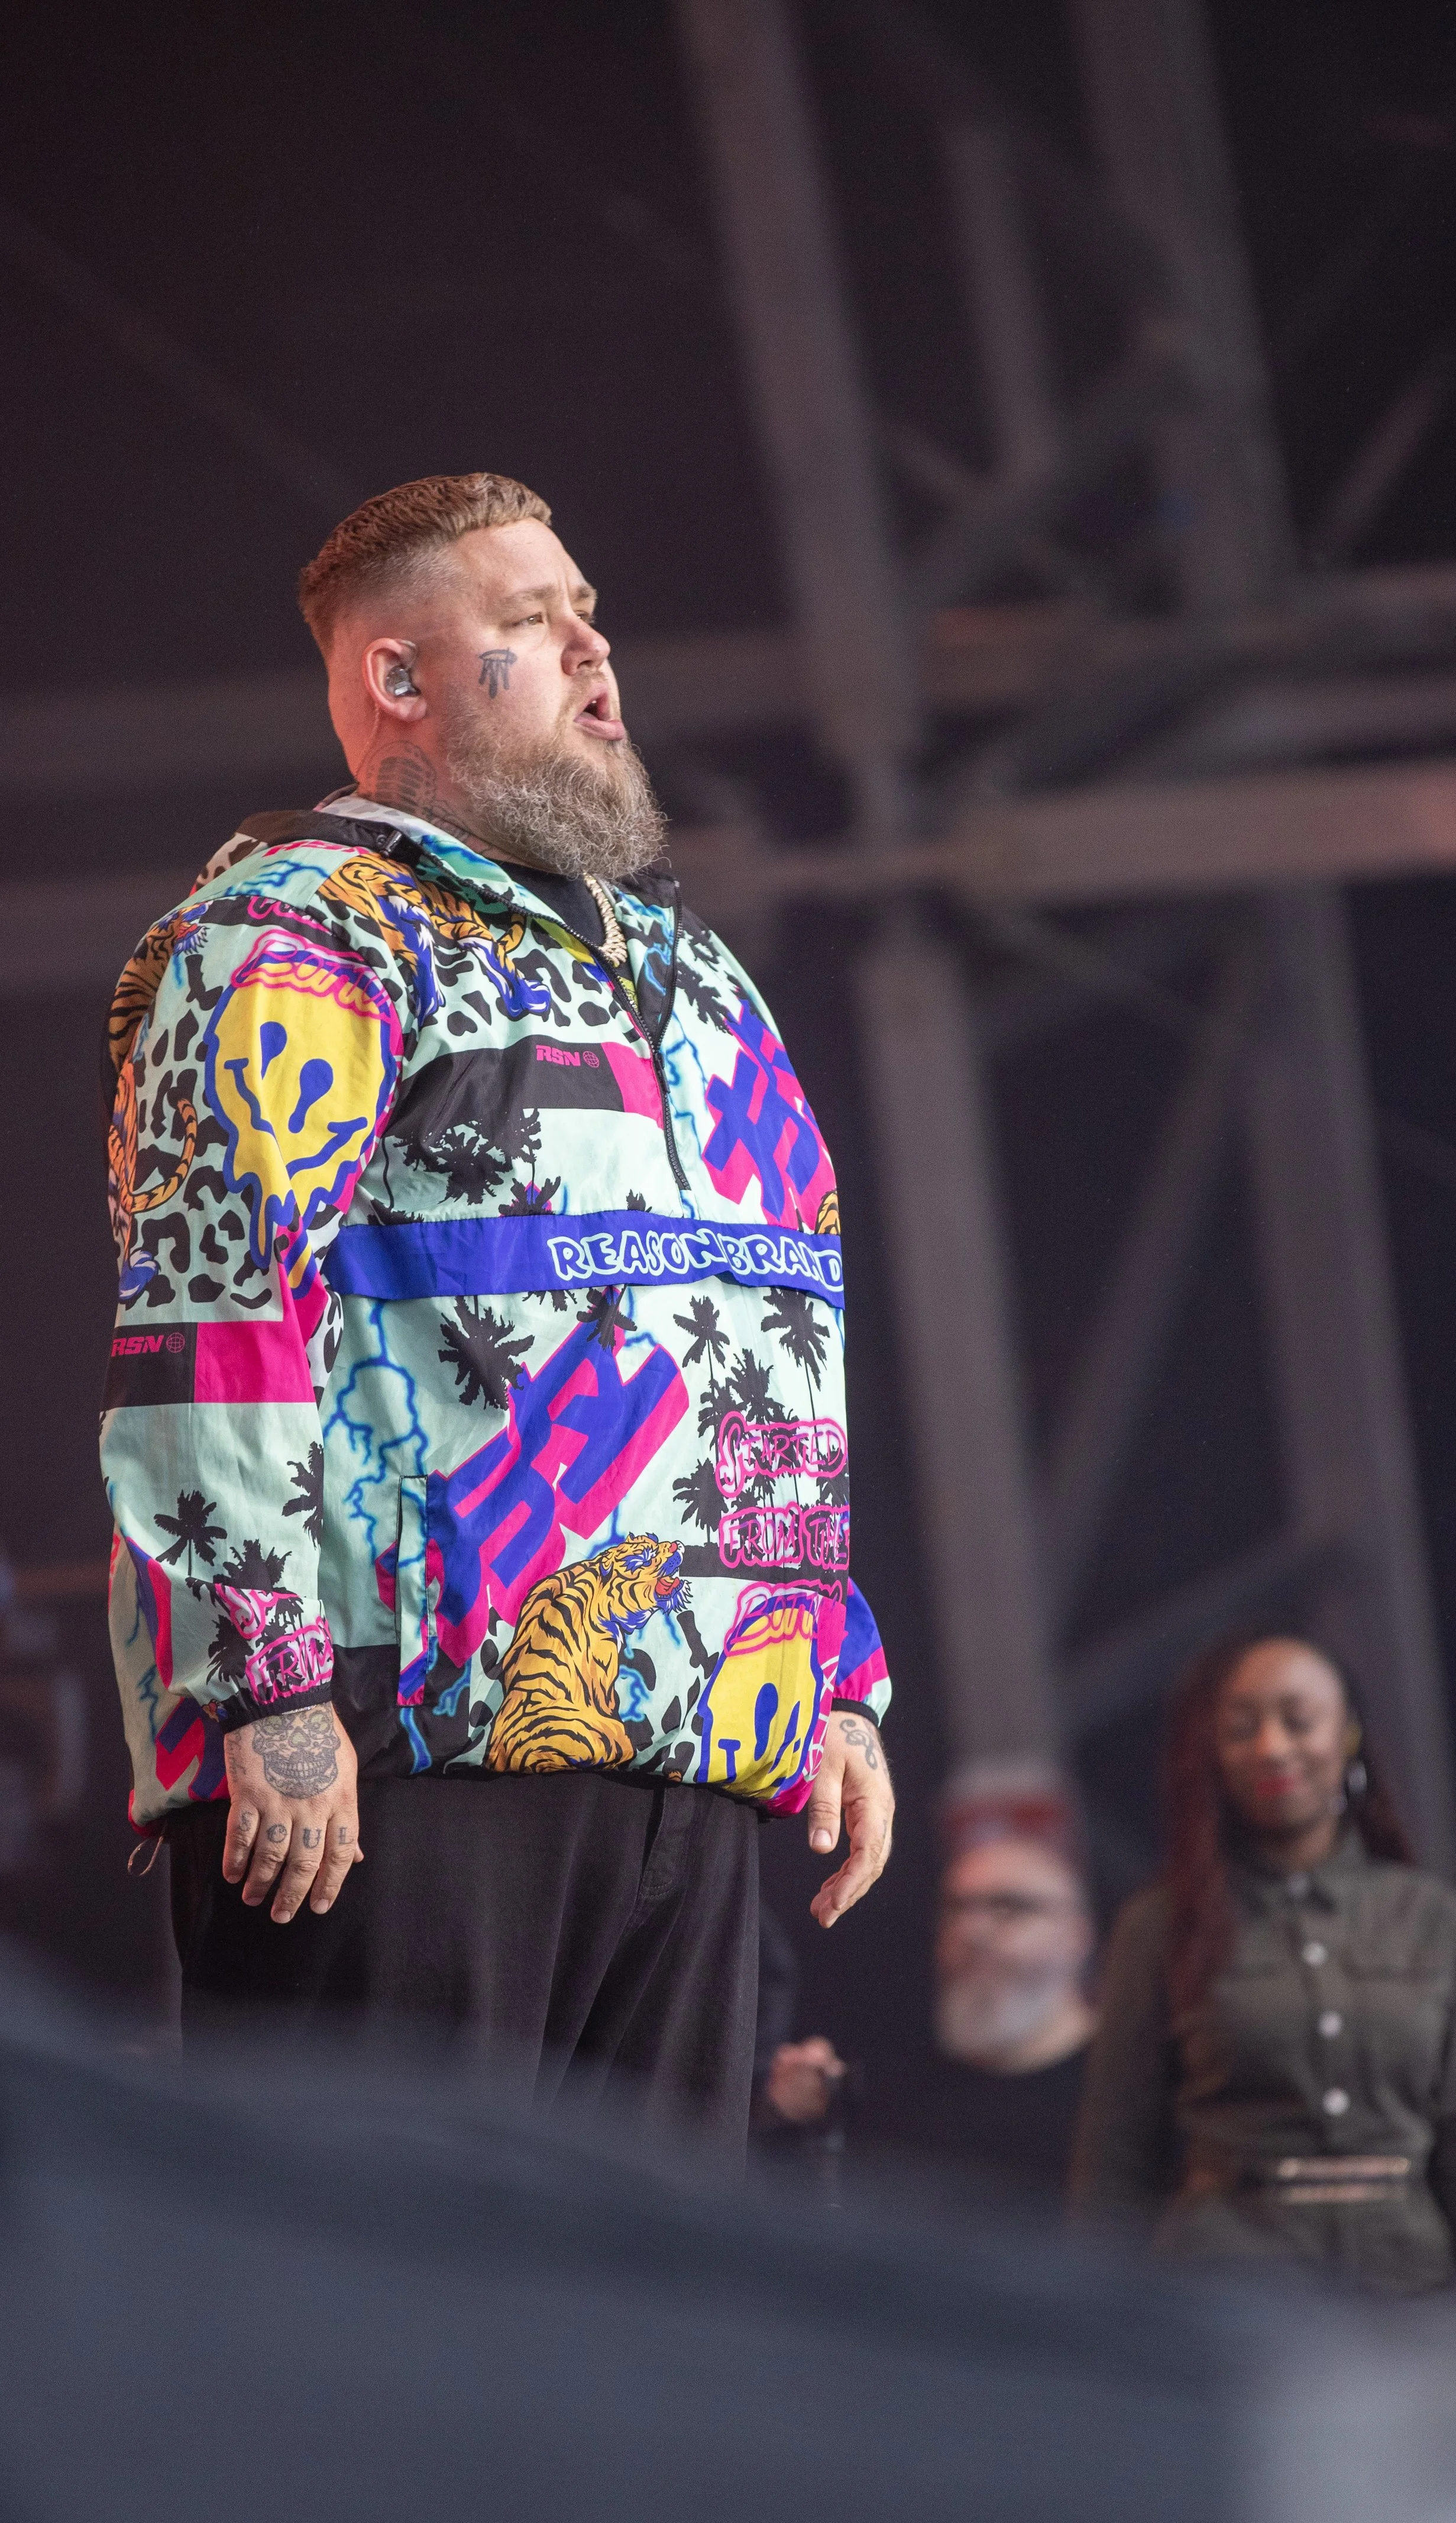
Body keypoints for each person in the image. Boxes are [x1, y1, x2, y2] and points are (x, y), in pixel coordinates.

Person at [100, 471, 895, 2152]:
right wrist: (268, 1691)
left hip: (688, 1748)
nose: (598, 650)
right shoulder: (291, 934)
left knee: (634, 2351)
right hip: (397, 1759)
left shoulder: (693, 975)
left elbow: (771, 1331)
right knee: (371, 2335)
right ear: (399, 682)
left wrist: (828, 1666)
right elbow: (212, 1312)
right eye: (532, 625)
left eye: (590, 611)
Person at [1071, 1634, 1456, 2292]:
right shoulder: (1162, 1924)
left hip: (1409, 2289)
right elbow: (1115, 2162)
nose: (1271, 1746)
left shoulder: (1429, 1917)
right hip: (1232, 2292)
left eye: (1298, 1719)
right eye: (1240, 1727)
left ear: (1346, 1735)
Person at [762, 1827, 1098, 2203]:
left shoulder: (1120, 2090)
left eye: (1009, 1907)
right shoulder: (888, 2081)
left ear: (1078, 1933)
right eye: (956, 1908)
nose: (973, 1930)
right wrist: (789, 2112)